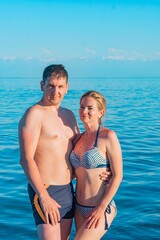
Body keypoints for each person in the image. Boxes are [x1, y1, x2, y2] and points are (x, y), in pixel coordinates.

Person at [18, 64, 111, 240]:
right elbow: (26, 159)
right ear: (41, 85)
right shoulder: (34, 115)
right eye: (51, 85)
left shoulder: (68, 115)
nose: (55, 91)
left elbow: (83, 148)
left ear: (67, 88)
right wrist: (43, 197)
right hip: (46, 189)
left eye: (60, 86)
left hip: (68, 190)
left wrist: (105, 171)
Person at [70, 90, 123, 239]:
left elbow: (118, 175)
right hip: (78, 207)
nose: (84, 111)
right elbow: (75, 172)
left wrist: (101, 208)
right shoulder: (76, 139)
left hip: (100, 207)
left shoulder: (108, 136)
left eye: (90, 108)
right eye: (81, 107)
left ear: (101, 112)